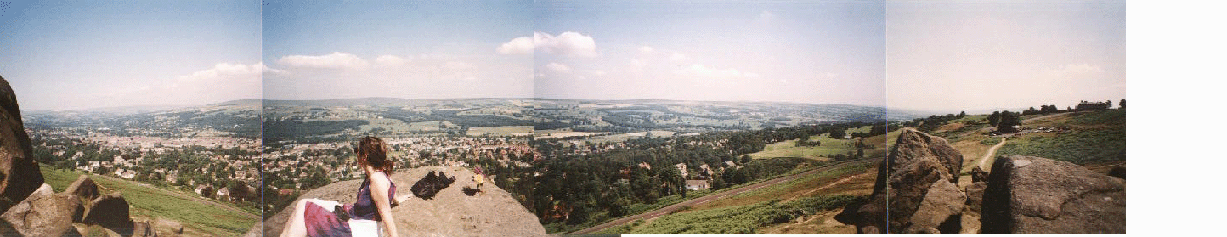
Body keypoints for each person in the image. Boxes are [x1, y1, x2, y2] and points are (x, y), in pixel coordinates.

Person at [281, 137, 400, 237]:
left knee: (305, 208)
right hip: (359, 221)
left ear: (364, 157)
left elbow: (387, 215)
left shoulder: (376, 180)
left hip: (360, 230)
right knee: (303, 202)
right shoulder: (382, 174)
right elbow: (392, 197)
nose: (356, 154)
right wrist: (397, 200)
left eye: (357, 151)